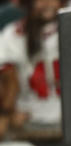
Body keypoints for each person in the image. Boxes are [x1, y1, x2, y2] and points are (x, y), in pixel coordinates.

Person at [0, 0, 63, 138]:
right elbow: (7, 82)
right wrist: (7, 112)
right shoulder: (11, 35)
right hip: (28, 126)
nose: (47, 3)